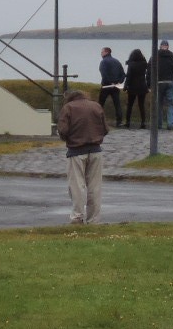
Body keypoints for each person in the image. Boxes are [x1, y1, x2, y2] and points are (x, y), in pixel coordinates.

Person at [56, 88, 109, 225]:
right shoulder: (96, 106)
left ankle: (77, 217)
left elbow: (63, 130)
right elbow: (105, 129)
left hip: (76, 151)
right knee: (95, 187)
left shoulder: (68, 108)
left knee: (77, 186)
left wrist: (66, 138)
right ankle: (94, 219)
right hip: (96, 150)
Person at [97, 47, 125, 124]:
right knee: (117, 104)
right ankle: (119, 121)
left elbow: (104, 74)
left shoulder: (103, 62)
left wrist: (110, 82)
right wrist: (119, 82)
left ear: (106, 52)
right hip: (116, 86)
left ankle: (97, 120)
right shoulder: (117, 61)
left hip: (106, 86)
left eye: (102, 52)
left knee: (100, 104)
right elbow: (123, 74)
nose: (101, 53)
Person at [122, 49, 149, 128]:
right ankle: (143, 122)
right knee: (141, 105)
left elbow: (129, 76)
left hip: (132, 86)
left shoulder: (131, 65)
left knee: (130, 105)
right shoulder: (144, 64)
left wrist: (125, 86)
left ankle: (128, 122)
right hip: (142, 86)